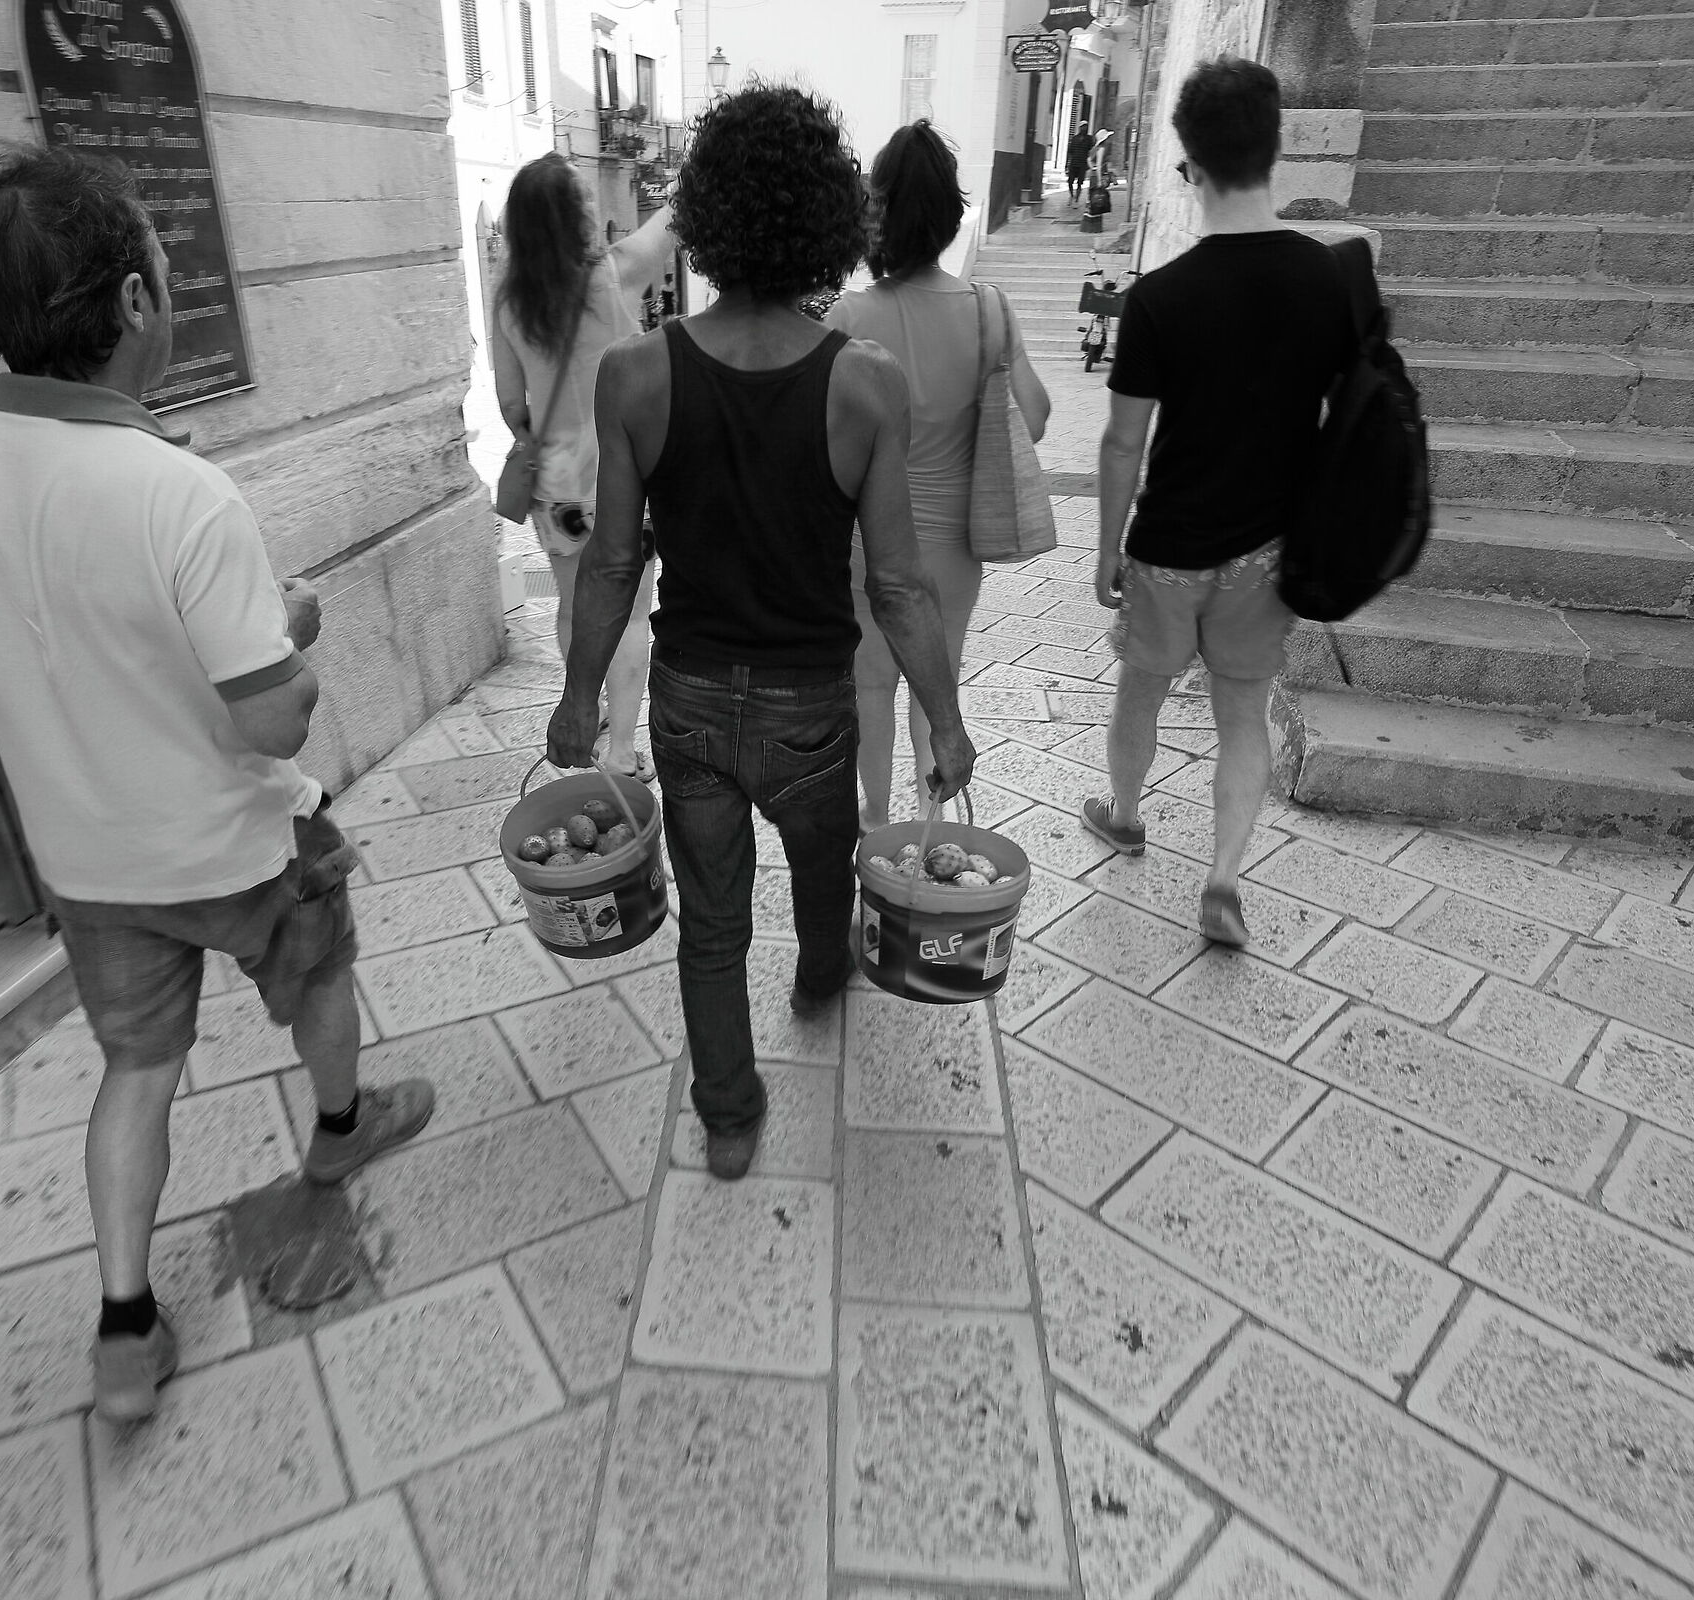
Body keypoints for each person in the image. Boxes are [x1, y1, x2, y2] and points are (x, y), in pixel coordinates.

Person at [0, 145, 435, 1423]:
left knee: (134, 1071)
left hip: (86, 860)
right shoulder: (179, 493)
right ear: (136, 303)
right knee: (321, 972)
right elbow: (269, 723)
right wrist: (289, 626)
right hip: (236, 845)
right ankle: (342, 1122)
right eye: (162, 272)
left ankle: (125, 1326)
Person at [545, 85, 974, 1180]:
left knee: (710, 923)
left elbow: (610, 561)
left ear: (709, 215)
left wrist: (580, 697)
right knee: (822, 867)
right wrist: (942, 716)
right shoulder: (863, 384)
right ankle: (822, 969)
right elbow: (902, 589)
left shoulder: (635, 375)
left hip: (687, 702)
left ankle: (729, 1114)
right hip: (808, 711)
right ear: (826, 217)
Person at [1084, 57, 1354, 947]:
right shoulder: (1328, 284)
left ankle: (1124, 812)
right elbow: (1335, 420)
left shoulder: (1160, 299)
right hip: (1266, 552)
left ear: (1190, 166)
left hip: (1166, 548)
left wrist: (1106, 546)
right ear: (1275, 153)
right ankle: (1224, 881)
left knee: (1140, 697)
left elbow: (1123, 440)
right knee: (1244, 715)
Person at [828, 120, 1050, 829]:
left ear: (877, 216)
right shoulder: (989, 309)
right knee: (937, 686)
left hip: (871, 542)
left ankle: (875, 821)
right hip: (957, 546)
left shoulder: (850, 316)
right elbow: (1037, 418)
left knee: (870, 686)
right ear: (951, 216)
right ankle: (930, 832)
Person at [494, 154, 677, 778]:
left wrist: (541, 431)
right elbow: (672, 223)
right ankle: (623, 750)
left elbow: (509, 405)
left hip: (559, 491)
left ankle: (588, 712)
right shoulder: (613, 275)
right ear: (580, 215)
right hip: (626, 483)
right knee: (628, 614)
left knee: (573, 608)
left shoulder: (508, 301)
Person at [1065, 121, 1095, 206]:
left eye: (1085, 126)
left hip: (1082, 163)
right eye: (1082, 126)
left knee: (1079, 183)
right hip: (1074, 162)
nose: (1084, 128)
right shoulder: (1074, 138)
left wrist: (1089, 162)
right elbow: (1070, 151)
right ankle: (1071, 196)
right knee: (1070, 181)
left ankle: (1076, 200)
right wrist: (1067, 164)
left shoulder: (1089, 139)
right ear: (1080, 127)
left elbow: (1091, 150)